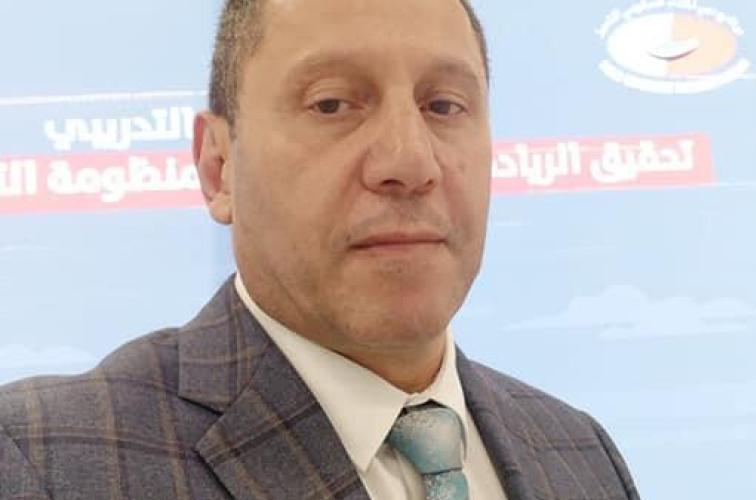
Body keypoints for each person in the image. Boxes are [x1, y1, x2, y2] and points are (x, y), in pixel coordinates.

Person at [0, 0, 640, 499]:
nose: (410, 162)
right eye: (332, 104)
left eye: (444, 106)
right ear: (219, 167)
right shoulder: (41, 459)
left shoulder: (579, 454)